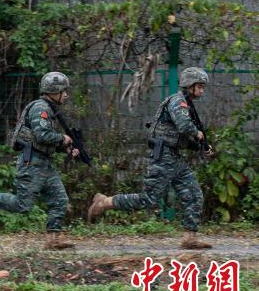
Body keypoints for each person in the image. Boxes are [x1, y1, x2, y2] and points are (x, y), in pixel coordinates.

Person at [87, 67, 215, 249]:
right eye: (200, 86)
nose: (202, 90)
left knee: (194, 194)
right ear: (189, 85)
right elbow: (184, 126)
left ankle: (190, 238)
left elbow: (178, 137)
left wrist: (200, 147)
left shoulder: (187, 104)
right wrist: (198, 134)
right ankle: (105, 202)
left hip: (175, 158)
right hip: (163, 157)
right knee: (148, 199)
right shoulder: (178, 102)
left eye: (203, 87)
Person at [0, 72, 80, 250]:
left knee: (60, 199)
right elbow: (43, 135)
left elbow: (43, 140)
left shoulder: (49, 110)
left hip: (45, 163)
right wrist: (62, 138)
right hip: (32, 163)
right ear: (53, 91)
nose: (66, 95)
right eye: (63, 91)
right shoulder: (40, 109)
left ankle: (53, 240)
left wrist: (64, 147)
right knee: (23, 205)